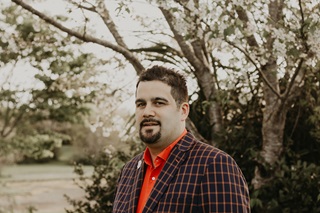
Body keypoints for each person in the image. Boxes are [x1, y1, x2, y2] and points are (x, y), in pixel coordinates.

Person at [112, 65, 250, 213]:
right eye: (141, 104)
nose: (147, 112)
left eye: (159, 103)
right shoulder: (129, 170)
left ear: (183, 111)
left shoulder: (214, 165)